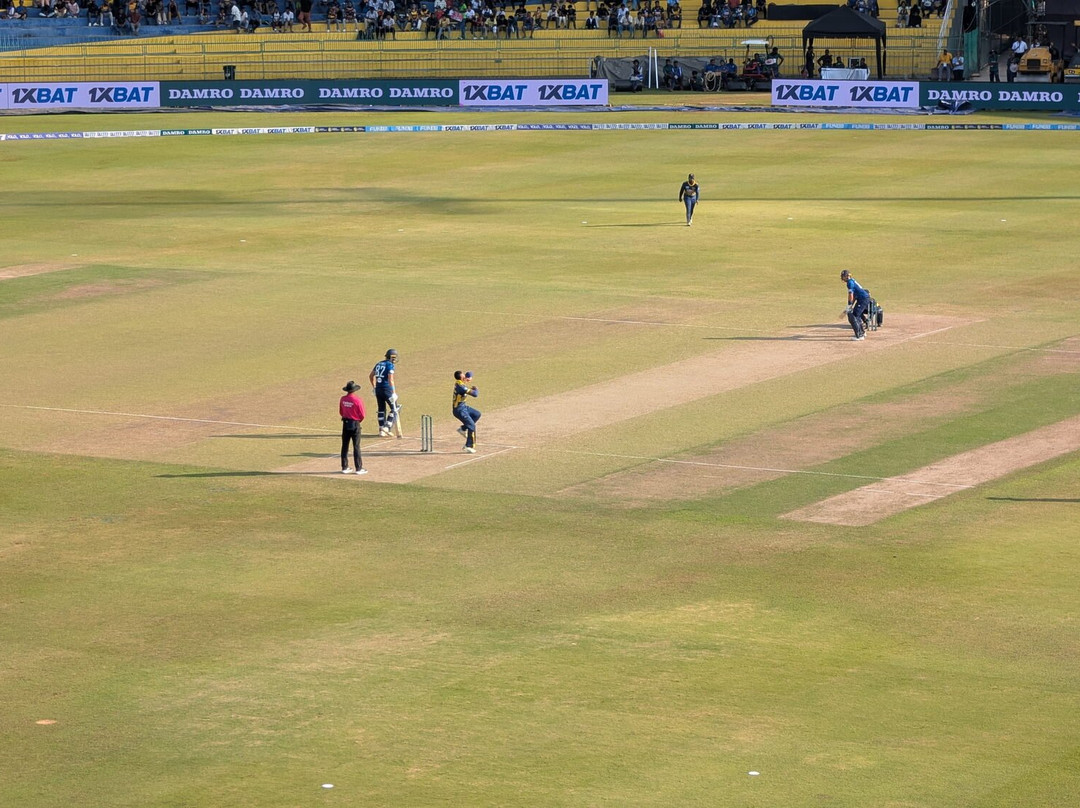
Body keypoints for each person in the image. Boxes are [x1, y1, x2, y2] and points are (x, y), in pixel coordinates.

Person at [368, 348, 400, 437]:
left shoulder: (378, 364)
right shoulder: (389, 365)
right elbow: (391, 379)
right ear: (392, 357)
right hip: (387, 390)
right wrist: (393, 392)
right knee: (396, 408)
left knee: (381, 409)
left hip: (378, 389)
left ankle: (381, 429)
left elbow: (371, 376)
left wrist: (374, 387)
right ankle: (387, 427)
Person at [339, 380, 368, 474]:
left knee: (344, 445)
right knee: (356, 446)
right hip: (355, 424)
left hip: (345, 423)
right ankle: (359, 468)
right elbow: (362, 414)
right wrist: (357, 421)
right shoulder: (357, 400)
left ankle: (344, 466)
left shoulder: (343, 399)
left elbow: (341, 412)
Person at [452, 370, 481, 453]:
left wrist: (469, 377)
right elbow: (475, 394)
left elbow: (470, 373)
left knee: (477, 414)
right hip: (459, 410)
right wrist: (476, 389)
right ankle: (468, 446)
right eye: (463, 376)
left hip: (463, 407)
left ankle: (463, 429)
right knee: (472, 426)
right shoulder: (460, 386)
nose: (464, 376)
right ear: (460, 378)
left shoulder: (460, 382)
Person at [840, 269, 871, 341]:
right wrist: (850, 305)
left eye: (843, 276)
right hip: (862, 299)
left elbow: (851, 294)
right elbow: (854, 296)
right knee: (856, 314)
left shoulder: (850, 283)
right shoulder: (852, 281)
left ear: (846, 276)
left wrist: (850, 304)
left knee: (854, 316)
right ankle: (862, 332)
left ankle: (860, 335)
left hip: (863, 299)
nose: (842, 278)